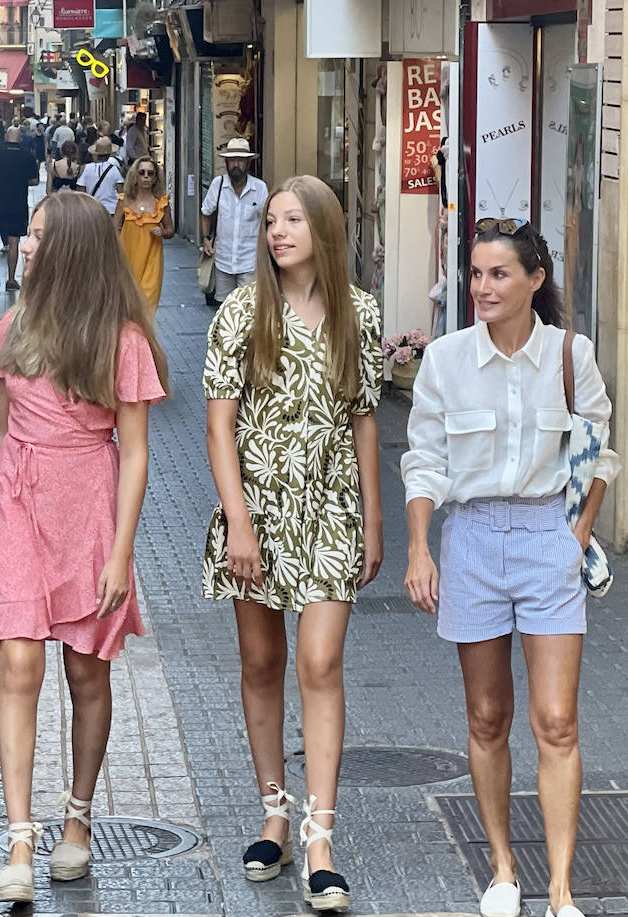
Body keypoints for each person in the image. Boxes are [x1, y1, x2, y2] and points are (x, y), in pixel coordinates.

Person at [401, 217, 620, 917]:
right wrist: (418, 547)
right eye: (475, 274)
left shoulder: (569, 355)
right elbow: (425, 459)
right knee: (488, 714)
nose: (483, 287)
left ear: (535, 280)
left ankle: (561, 888)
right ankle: (502, 866)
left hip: (546, 539)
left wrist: (577, 534)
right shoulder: (445, 359)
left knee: (556, 720)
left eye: (499, 274)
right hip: (470, 540)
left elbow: (598, 453)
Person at [0, 190, 169, 905]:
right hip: (19, 499)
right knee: (19, 658)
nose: (25, 244)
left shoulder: (122, 339)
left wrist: (120, 551)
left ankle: (77, 817)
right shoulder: (15, 324)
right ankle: (21, 832)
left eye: (39, 236)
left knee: (87, 671)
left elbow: (135, 453)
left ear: (70, 250)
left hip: (89, 505)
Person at [202, 174, 384, 915]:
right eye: (271, 220)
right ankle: (274, 810)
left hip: (331, 510)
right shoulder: (244, 311)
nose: (276, 232)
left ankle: (319, 836)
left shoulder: (359, 315)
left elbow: (364, 418)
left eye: (290, 220)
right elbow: (218, 425)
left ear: (324, 230)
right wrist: (236, 520)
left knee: (319, 660)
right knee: (261, 660)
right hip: (259, 514)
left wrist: (375, 521)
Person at [200, 138, 268, 305]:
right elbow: (205, 213)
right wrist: (206, 239)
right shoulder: (218, 184)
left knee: (248, 308)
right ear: (226, 163)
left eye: (241, 161)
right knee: (224, 308)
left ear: (248, 163)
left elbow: (267, 221)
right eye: (232, 161)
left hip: (250, 260)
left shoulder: (259, 188)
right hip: (223, 259)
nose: (236, 165)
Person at [0, 126, 40, 292]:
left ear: (6, 137)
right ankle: (12, 279)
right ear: (20, 139)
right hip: (19, 202)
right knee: (14, 240)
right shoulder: (27, 155)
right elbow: (35, 181)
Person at [114, 156, 172, 315]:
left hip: (152, 263)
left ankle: (144, 339)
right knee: (127, 309)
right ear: (135, 176)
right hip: (127, 262)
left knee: (147, 308)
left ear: (155, 178)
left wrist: (163, 232)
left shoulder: (161, 203)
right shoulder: (124, 201)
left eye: (150, 173)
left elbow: (170, 230)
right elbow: (115, 229)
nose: (146, 176)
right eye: (142, 172)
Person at [78, 137, 122, 215]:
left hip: (92, 209)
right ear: (109, 154)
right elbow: (121, 192)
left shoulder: (87, 168)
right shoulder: (114, 169)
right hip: (111, 210)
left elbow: (81, 190)